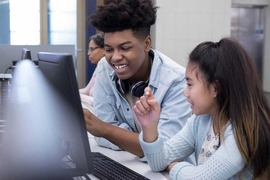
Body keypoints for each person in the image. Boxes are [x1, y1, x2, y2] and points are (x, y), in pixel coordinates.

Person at [134, 37, 270, 179]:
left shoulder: (243, 132)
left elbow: (198, 178)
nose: (185, 93)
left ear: (215, 88)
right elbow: (158, 162)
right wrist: (149, 127)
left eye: (190, 84)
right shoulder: (200, 121)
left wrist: (174, 166)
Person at [83, 0, 192, 158]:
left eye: (125, 48)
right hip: (130, 163)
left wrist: (106, 130)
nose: (115, 57)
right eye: (108, 49)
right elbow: (101, 138)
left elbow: (164, 152)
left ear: (147, 44)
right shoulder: (105, 68)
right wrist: (141, 140)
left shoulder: (177, 82)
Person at [79, 33, 104, 109]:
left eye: (92, 49)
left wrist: (74, 96)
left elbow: (100, 103)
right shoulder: (99, 67)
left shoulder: (108, 68)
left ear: (105, 49)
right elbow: (86, 90)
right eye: (89, 49)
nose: (88, 53)